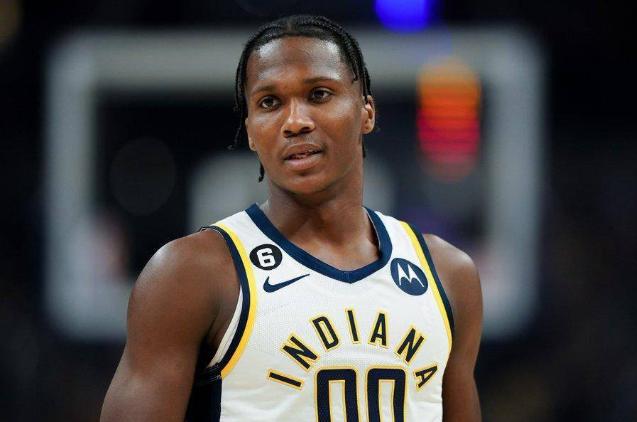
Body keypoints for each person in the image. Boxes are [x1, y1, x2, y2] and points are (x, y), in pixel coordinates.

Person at [101, 15, 482, 422]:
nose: (295, 121)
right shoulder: (191, 272)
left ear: (366, 112)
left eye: (319, 94)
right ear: (250, 130)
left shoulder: (447, 274)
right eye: (270, 102)